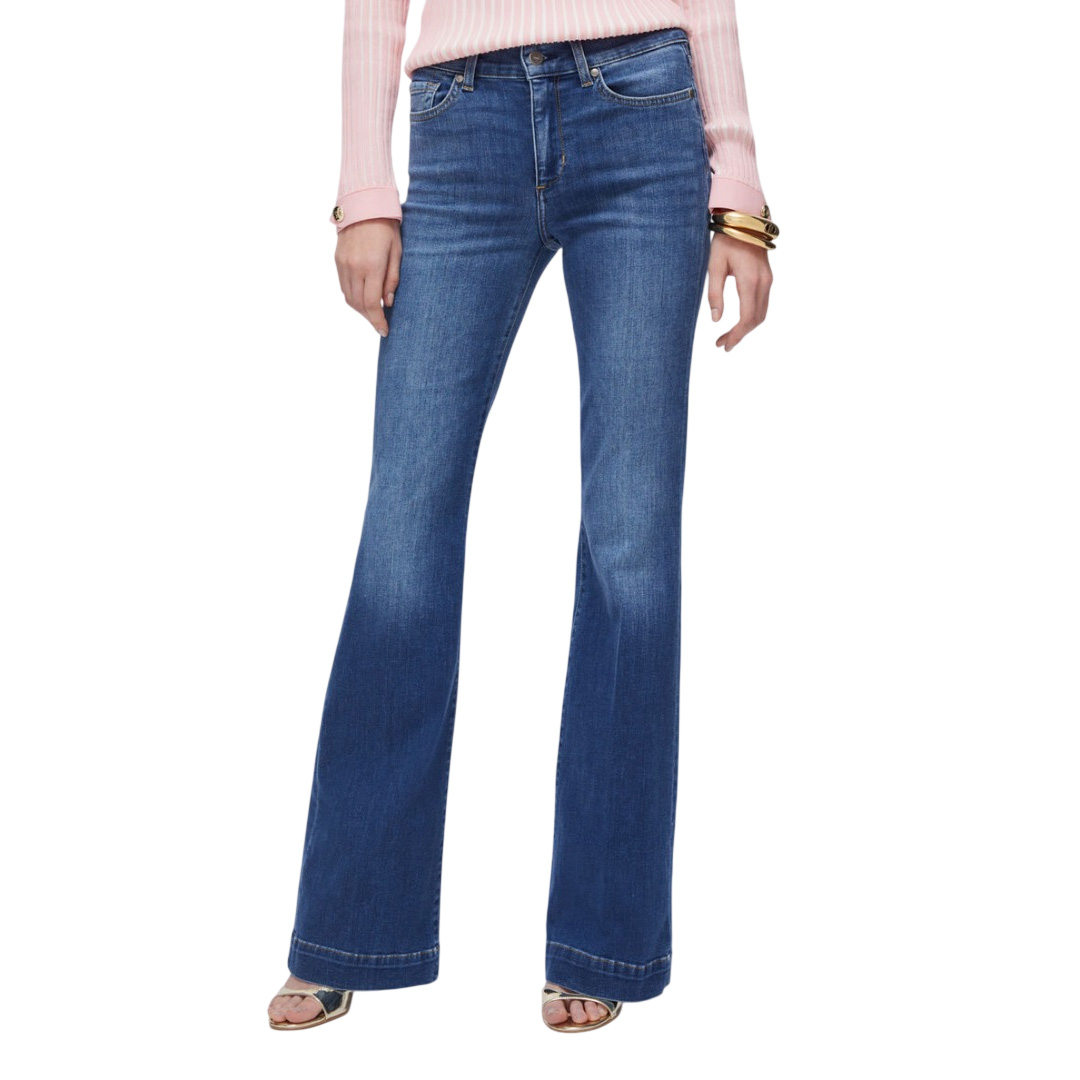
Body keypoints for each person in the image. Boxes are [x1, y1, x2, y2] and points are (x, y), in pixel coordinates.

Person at [268, 0, 777, 1034]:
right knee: (403, 534)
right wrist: (364, 191)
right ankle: (351, 928)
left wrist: (739, 189)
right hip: (462, 122)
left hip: (643, 109)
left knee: (631, 546)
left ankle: (602, 939)